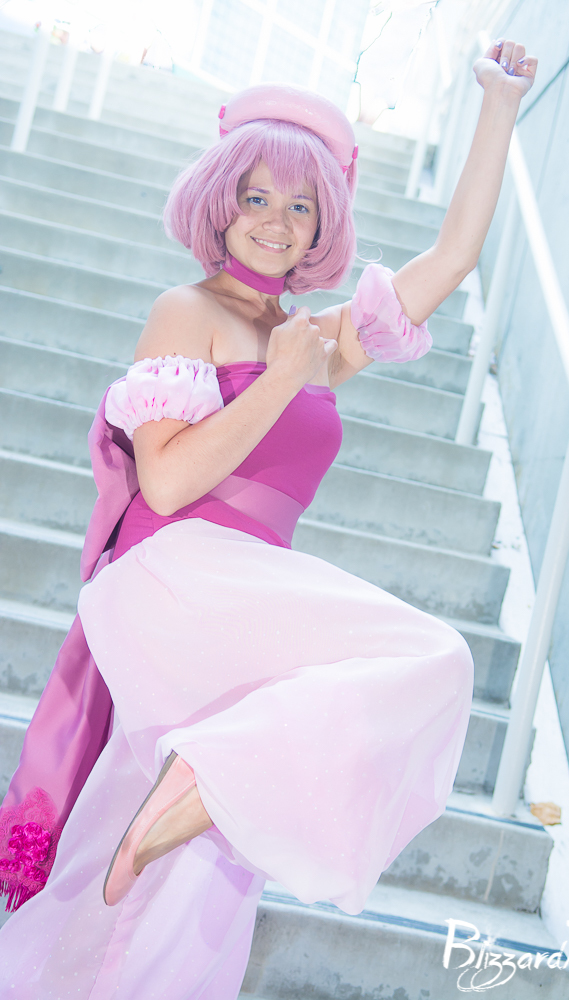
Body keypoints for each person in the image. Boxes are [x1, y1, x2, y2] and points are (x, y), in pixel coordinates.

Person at [0, 39, 536, 997]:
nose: (277, 223)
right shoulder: (186, 311)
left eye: (301, 206)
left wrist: (497, 105)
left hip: (242, 616)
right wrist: (283, 377)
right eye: (257, 197)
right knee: (427, 657)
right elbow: (167, 484)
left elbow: (451, 258)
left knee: (183, 897)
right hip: (177, 585)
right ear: (221, 200)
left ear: (323, 223)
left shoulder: (310, 338)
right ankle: (208, 775)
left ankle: (203, 786)